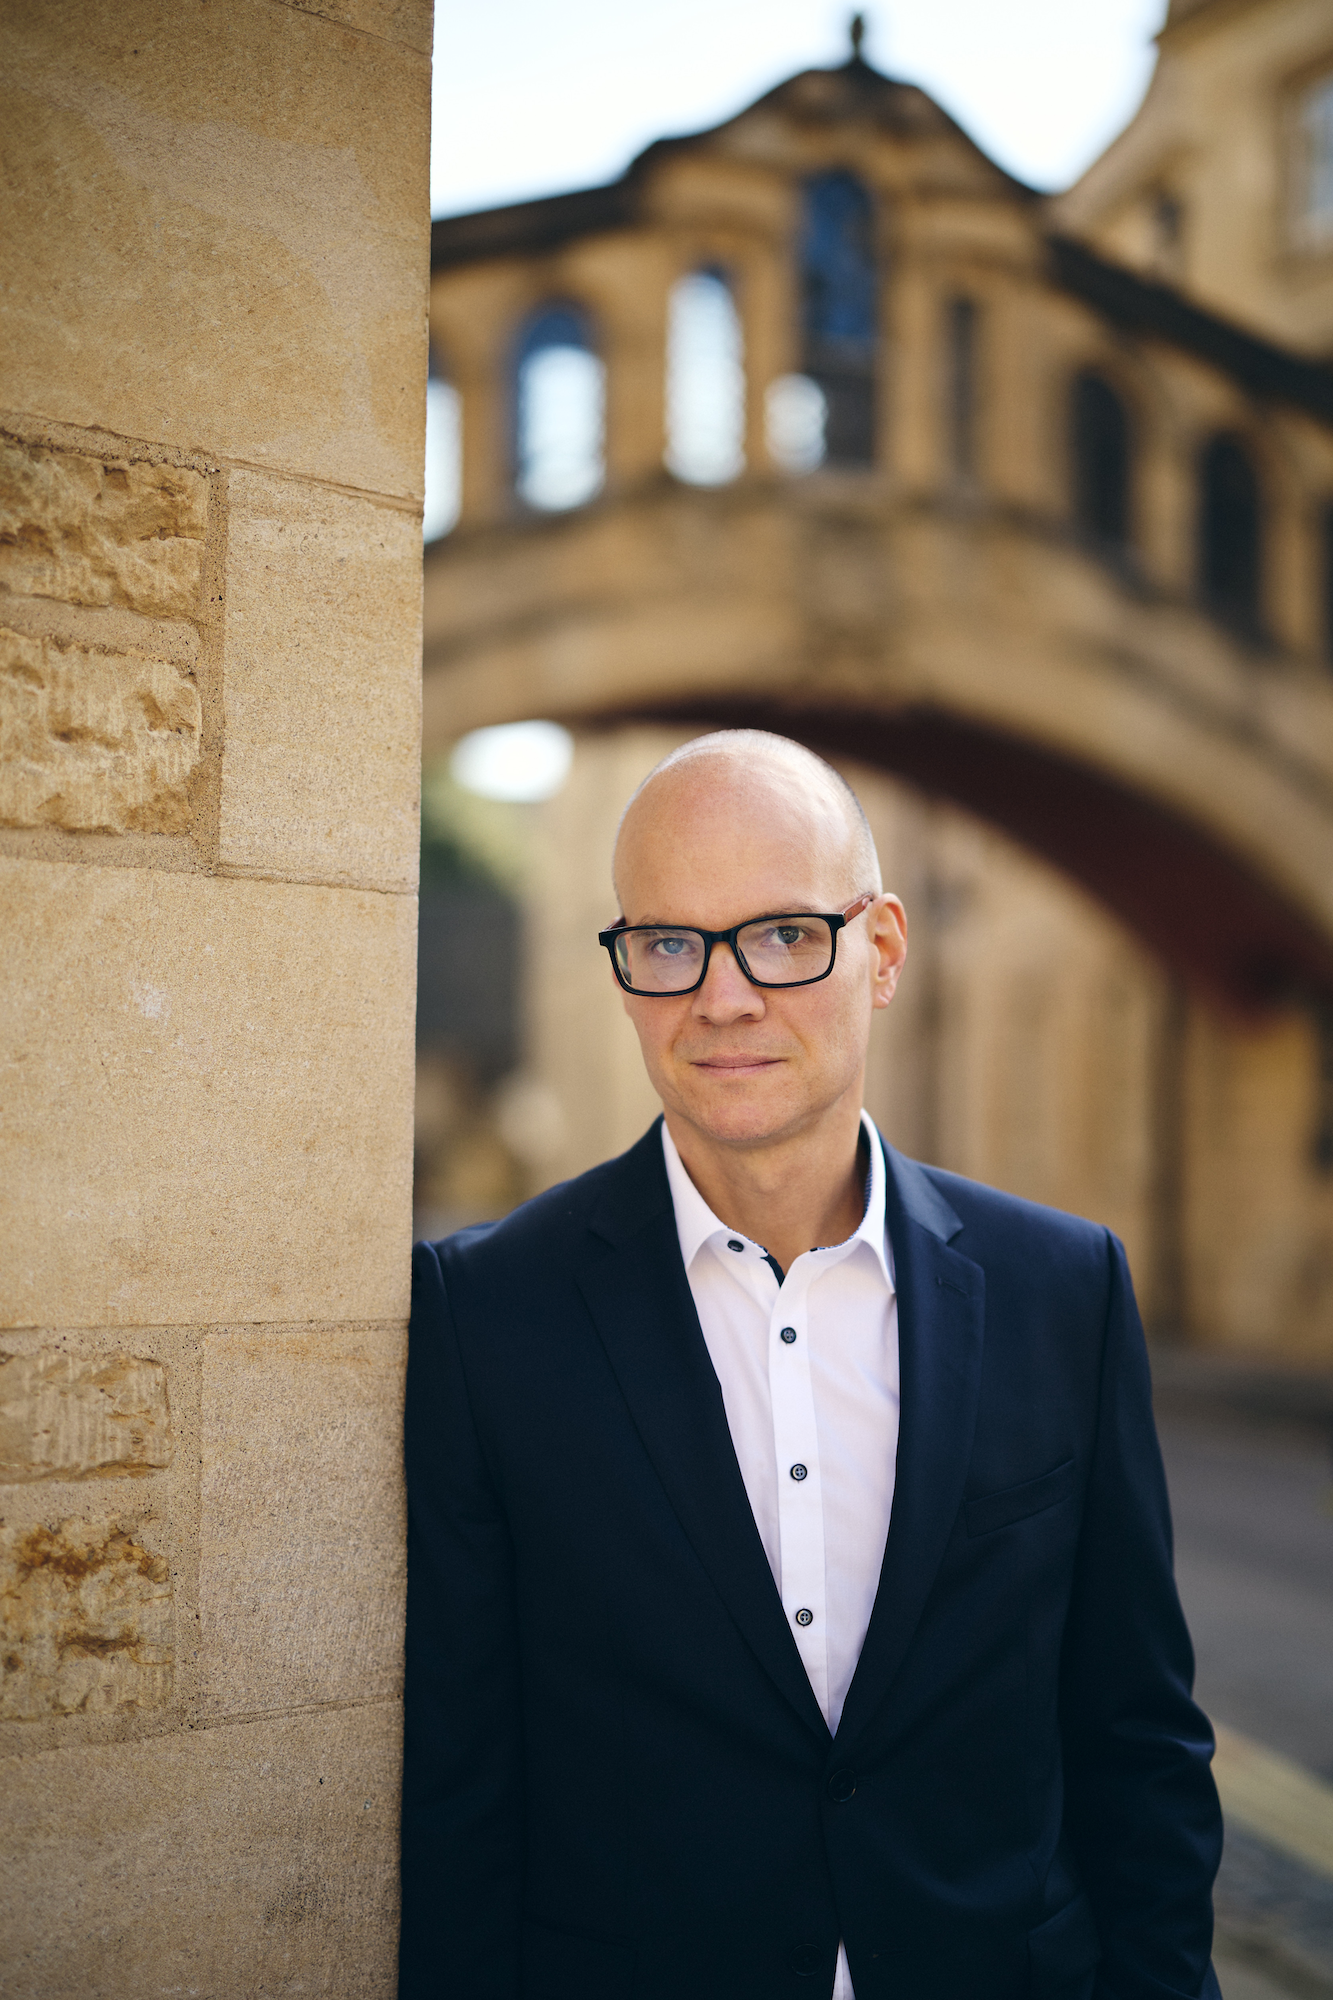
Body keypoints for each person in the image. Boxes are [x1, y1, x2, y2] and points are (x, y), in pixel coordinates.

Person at [399, 729, 1223, 2000]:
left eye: (784, 934)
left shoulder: (1066, 1291)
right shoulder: (484, 1311)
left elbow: (1138, 1741)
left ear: (881, 949)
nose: (721, 997)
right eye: (669, 943)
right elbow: (462, 1784)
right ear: (623, 970)